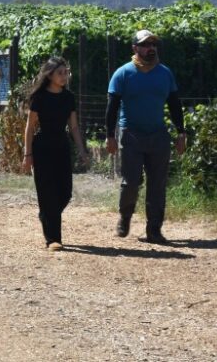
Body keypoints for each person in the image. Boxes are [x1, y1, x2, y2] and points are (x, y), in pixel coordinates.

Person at [105, 30, 187, 245]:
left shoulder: (165, 73)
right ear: (135, 48)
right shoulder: (123, 74)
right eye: (145, 45)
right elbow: (112, 107)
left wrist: (181, 132)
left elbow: (175, 104)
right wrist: (109, 136)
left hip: (158, 135)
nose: (151, 48)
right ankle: (125, 216)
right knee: (131, 182)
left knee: (157, 185)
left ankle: (154, 230)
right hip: (131, 134)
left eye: (153, 45)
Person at [23, 57, 88, 251]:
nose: (64, 76)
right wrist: (27, 155)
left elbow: (73, 127)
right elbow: (29, 127)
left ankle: (46, 215)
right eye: (60, 73)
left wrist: (82, 150)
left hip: (62, 146)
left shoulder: (68, 97)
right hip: (42, 148)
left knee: (65, 192)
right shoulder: (39, 97)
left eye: (66, 72)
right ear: (50, 75)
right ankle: (53, 239)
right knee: (47, 192)